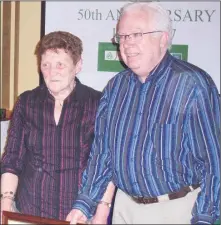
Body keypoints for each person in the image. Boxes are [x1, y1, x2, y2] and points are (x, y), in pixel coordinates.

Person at [67, 2, 220, 224]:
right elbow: (103, 153)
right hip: (124, 208)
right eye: (122, 36)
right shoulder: (115, 87)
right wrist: (84, 203)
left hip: (176, 210)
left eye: (137, 34)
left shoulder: (192, 85)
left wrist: (204, 218)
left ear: (163, 39)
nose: (127, 44)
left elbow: (212, 161)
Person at [0, 31, 103, 221]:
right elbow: (12, 158)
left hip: (78, 214)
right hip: (30, 211)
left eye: (60, 65)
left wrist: (101, 212)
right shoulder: (26, 102)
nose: (51, 72)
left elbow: (104, 163)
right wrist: (6, 200)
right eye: (45, 65)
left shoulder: (97, 103)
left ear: (78, 65)